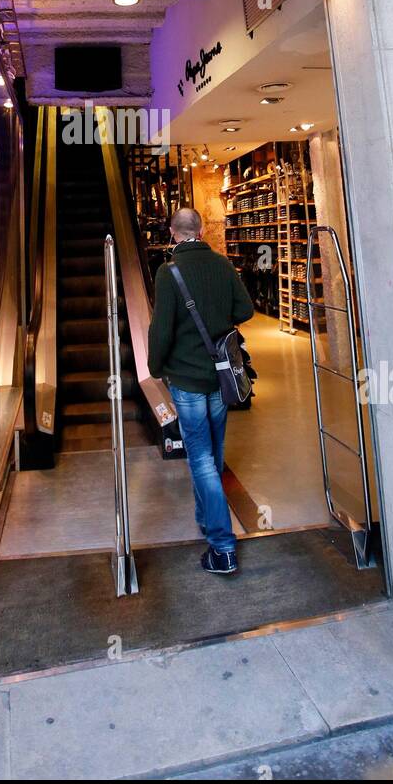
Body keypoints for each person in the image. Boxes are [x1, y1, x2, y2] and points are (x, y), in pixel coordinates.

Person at [147, 206, 254, 574]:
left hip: (187, 381)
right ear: (202, 229)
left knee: (201, 459)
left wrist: (155, 367)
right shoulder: (222, 265)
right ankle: (206, 518)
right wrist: (217, 315)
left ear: (173, 233)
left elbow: (161, 328)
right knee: (213, 451)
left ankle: (222, 548)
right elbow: (245, 309)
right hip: (220, 378)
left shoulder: (168, 272)